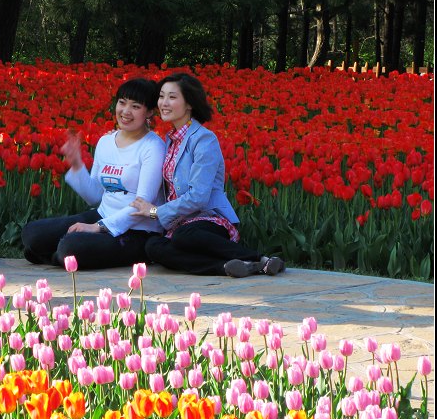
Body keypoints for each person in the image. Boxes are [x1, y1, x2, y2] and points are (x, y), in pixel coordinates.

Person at [130, 72, 285, 277]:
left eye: (172, 97)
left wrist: (155, 212)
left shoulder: (204, 140)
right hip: (180, 225)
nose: (164, 103)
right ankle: (228, 267)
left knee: (184, 237)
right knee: (153, 247)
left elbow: (199, 197)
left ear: (189, 104)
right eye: (161, 96)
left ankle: (258, 258)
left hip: (208, 221)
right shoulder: (169, 140)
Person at [21, 78, 167, 270]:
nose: (125, 111)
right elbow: (95, 196)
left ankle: (59, 255)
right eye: (122, 103)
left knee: (71, 247)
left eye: (135, 106)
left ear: (149, 112)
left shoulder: (153, 147)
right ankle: (59, 254)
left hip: (137, 231)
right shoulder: (106, 142)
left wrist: (98, 227)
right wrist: (76, 164)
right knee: (32, 233)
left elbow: (142, 206)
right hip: (103, 215)